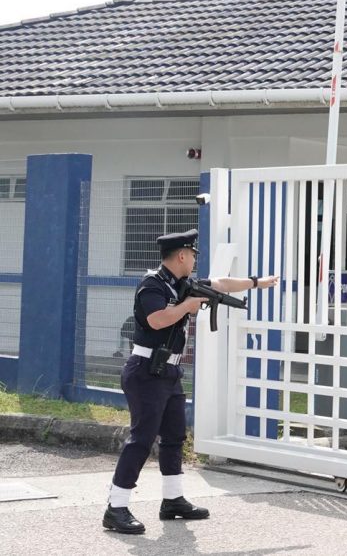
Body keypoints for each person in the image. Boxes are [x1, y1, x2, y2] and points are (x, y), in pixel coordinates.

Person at [102, 229, 279, 535]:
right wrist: (186, 308)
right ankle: (115, 507)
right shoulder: (152, 284)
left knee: (174, 437)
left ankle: (172, 500)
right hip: (145, 371)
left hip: (169, 373)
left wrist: (256, 283)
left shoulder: (184, 284)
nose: (195, 260)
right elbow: (157, 319)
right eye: (193, 255)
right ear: (181, 255)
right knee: (142, 439)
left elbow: (221, 284)